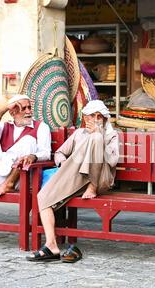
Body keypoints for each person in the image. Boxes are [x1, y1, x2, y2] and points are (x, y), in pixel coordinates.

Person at [27, 100, 119, 262]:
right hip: (77, 175)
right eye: (92, 116)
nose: (96, 119)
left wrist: (98, 138)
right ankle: (51, 245)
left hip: (101, 178)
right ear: (85, 118)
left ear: (105, 119)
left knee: (96, 137)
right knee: (43, 197)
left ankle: (92, 185)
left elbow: (112, 161)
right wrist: (63, 163)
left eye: (100, 116)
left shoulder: (111, 135)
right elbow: (60, 153)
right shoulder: (79, 134)